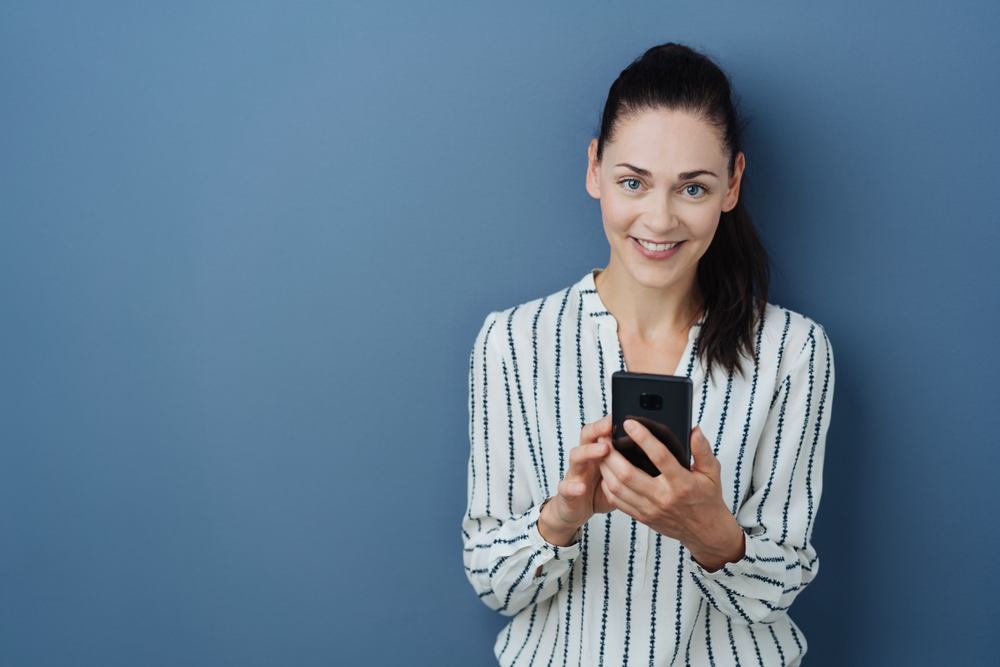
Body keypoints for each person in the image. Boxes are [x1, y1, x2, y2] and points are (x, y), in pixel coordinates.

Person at [461, 41, 835, 666]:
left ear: (732, 184)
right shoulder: (512, 341)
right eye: (632, 182)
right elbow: (495, 584)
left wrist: (713, 534)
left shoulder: (793, 352)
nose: (658, 220)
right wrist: (561, 517)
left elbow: (782, 585)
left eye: (693, 188)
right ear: (594, 170)